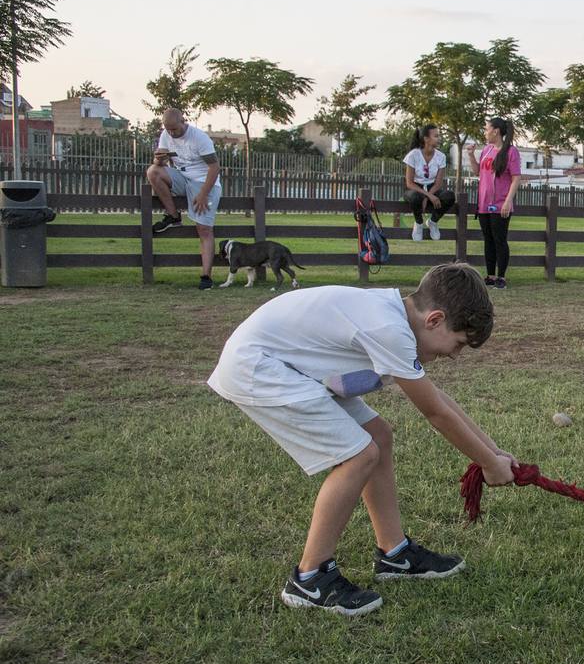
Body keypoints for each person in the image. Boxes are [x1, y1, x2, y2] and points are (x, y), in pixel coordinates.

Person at [206, 264, 515, 616]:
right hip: (258, 367)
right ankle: (310, 579)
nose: (456, 355)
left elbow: (439, 400)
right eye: (458, 343)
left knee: (377, 436)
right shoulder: (390, 330)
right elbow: (435, 413)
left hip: (286, 365)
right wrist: (488, 464)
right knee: (359, 454)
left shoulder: (395, 319)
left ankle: (395, 554)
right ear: (435, 320)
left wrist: (492, 451)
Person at [147, 108, 221, 289]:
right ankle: (173, 216)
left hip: (203, 180)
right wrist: (158, 160)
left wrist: (203, 194)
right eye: (168, 129)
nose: (171, 133)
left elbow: (214, 167)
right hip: (182, 177)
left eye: (174, 129)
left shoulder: (200, 138)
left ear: (183, 121)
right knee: (153, 171)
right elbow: (159, 164)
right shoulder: (166, 135)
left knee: (204, 229)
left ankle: (206, 277)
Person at [467, 117, 521, 289]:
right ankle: (490, 276)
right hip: (484, 205)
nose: (485, 132)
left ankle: (501, 277)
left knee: (500, 240)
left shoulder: (511, 152)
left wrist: (507, 202)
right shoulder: (486, 150)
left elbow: (516, 178)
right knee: (488, 240)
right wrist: (471, 155)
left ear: (496, 131)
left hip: (500, 205)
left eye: (486, 129)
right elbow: (478, 172)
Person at [402, 124, 455, 241]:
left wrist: (428, 196)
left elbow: (438, 183)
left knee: (449, 196)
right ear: (426, 139)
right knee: (415, 197)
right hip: (415, 188)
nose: (439, 138)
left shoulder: (441, 157)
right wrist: (428, 196)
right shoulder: (413, 155)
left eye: (439, 136)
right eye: (436, 136)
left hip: (432, 188)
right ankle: (419, 223)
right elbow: (409, 183)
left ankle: (433, 222)